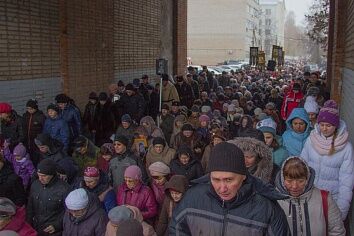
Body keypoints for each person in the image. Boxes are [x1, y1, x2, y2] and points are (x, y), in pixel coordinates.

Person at [169, 142, 290, 235]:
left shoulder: (266, 208)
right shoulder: (192, 198)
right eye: (216, 180)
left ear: (243, 176)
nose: (222, 189)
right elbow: (176, 230)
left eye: (229, 180)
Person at [300, 100, 354, 220]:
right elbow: (302, 166)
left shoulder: (346, 148)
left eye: (328, 125)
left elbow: (347, 181)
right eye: (322, 124)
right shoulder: (311, 140)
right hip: (310, 195)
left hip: (331, 199)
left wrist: (341, 211)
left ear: (336, 126)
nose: (324, 128)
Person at [275, 157, 345, 235]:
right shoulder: (274, 201)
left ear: (307, 179)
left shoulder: (324, 198)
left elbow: (337, 231)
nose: (294, 186)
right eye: (289, 181)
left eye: (300, 181)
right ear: (282, 179)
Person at [27, 159, 70, 236]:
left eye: (44, 176)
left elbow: (69, 211)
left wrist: (57, 225)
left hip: (53, 231)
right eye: (39, 175)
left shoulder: (64, 188)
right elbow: (30, 206)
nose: (40, 178)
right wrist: (28, 224)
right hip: (36, 228)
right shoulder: (35, 185)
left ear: (52, 174)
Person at [22, 99, 46, 166]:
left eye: (31, 109)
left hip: (37, 142)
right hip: (27, 141)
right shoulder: (25, 116)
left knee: (37, 157)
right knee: (29, 157)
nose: (29, 110)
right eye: (27, 109)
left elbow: (44, 129)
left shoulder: (41, 116)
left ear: (35, 108)